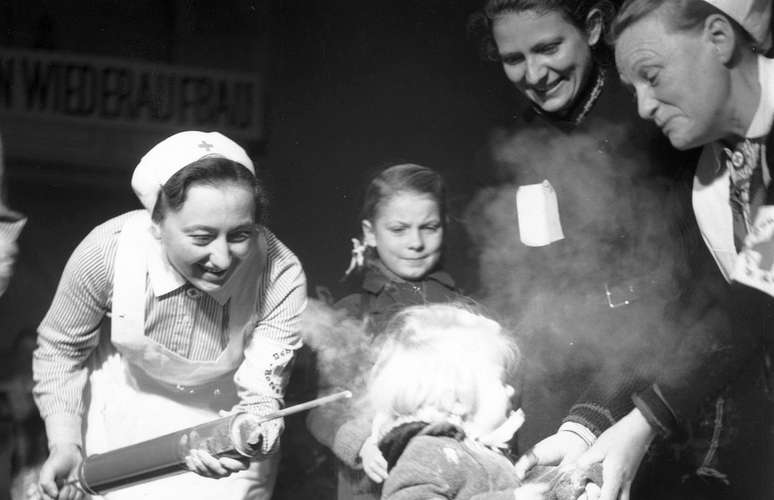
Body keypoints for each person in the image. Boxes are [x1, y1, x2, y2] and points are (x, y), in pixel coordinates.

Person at [519, 1, 774, 498]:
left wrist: (643, 424)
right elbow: (696, 318)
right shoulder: (709, 184)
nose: (642, 106)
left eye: (652, 75)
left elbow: (753, 304)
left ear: (718, 38)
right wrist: (585, 427)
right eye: (633, 88)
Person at [468, 0, 719, 491]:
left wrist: (590, 419)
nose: (534, 74)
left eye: (548, 47)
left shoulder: (656, 115)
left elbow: (688, 292)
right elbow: (534, 278)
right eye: (513, 58)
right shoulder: (523, 137)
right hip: (575, 379)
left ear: (594, 28)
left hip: (671, 369)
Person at [32, 131, 307, 500]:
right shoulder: (107, 251)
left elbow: (262, 397)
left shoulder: (280, 272)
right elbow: (61, 351)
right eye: (201, 236)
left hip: (225, 415)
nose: (223, 258)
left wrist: (247, 439)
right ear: (158, 223)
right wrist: (64, 443)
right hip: (121, 408)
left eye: (241, 234)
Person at [306, 163, 470, 500]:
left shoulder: (464, 312)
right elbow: (323, 410)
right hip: (373, 482)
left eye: (430, 227)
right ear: (369, 232)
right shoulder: (352, 313)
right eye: (399, 229)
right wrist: (360, 443)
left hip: (454, 477)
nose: (416, 242)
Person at [364, 303, 551, 500]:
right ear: (458, 400)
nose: (511, 390)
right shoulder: (431, 453)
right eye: (501, 382)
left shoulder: (481, 453)